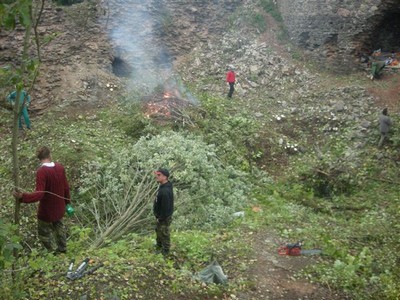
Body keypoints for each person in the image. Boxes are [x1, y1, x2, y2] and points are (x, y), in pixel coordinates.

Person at [13, 146, 71, 254]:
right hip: (59, 208)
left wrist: (23, 197)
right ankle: (63, 250)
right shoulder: (60, 167)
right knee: (59, 228)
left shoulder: (42, 172)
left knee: (44, 234)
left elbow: (39, 195)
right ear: (50, 155)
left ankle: (53, 254)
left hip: (47, 211)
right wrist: (67, 203)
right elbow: (66, 188)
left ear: (39, 158)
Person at [153, 168, 174, 256]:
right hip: (160, 217)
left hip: (164, 218)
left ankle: (165, 253)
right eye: (156, 175)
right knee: (159, 233)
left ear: (165, 177)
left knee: (164, 234)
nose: (156, 177)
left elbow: (166, 207)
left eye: (159, 175)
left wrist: (160, 218)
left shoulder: (165, 191)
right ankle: (158, 249)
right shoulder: (163, 186)